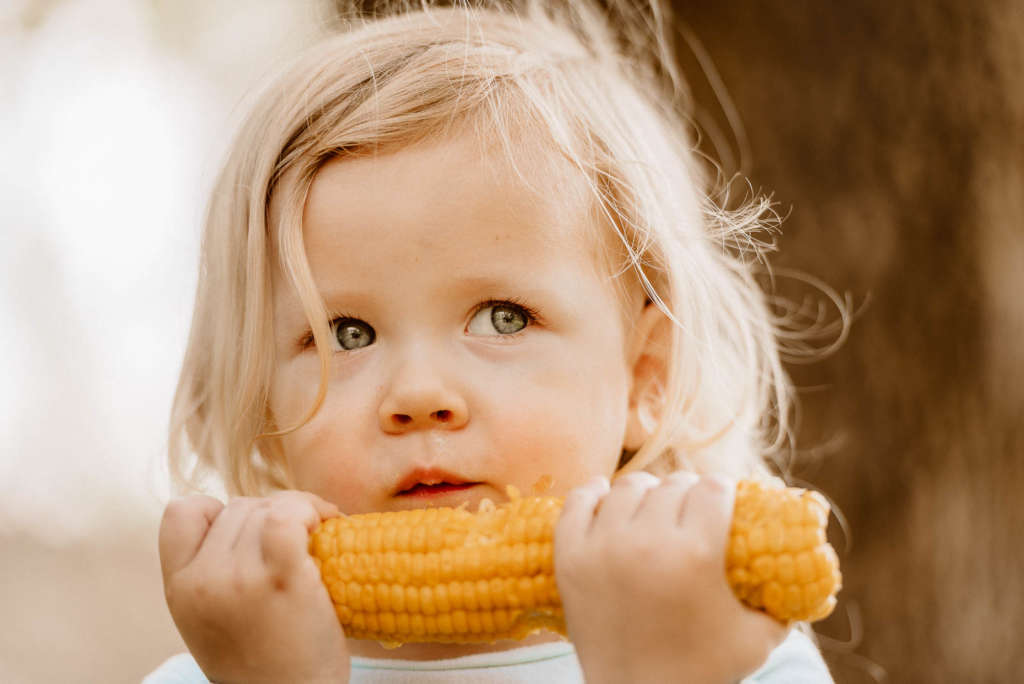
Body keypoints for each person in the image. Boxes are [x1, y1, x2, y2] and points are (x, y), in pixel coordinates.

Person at [148, 1, 836, 681]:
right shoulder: (228, 668)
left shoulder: (738, 655)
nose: (418, 394)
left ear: (646, 376)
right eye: (346, 334)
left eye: (502, 318)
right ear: (263, 410)